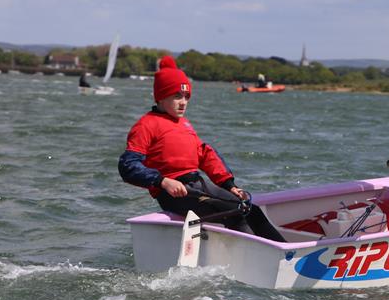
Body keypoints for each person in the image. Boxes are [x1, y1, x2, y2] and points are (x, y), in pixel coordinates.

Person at [118, 56, 285, 242]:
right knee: (235, 210)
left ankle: (286, 252)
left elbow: (205, 155)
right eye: (176, 96)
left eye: (186, 97)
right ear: (161, 97)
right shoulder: (146, 125)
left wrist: (230, 186)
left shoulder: (184, 124)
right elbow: (128, 166)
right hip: (174, 193)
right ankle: (261, 257)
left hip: (198, 185)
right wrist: (163, 181)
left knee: (248, 207)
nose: (183, 102)